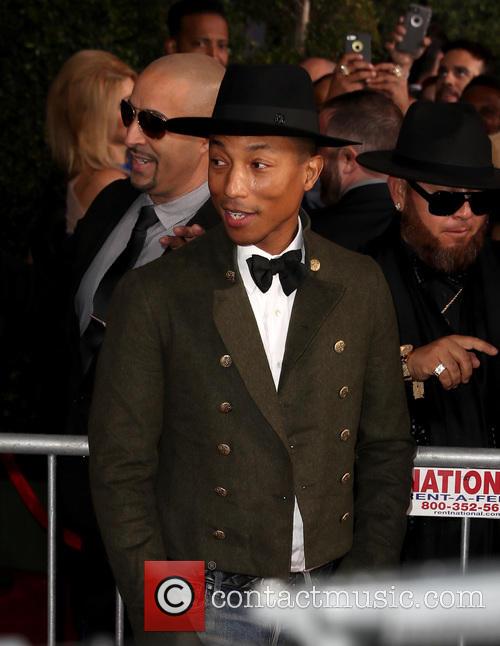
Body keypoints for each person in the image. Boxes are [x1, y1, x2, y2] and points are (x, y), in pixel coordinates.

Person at [89, 63, 414, 645]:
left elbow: (385, 450)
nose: (232, 186)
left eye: (259, 164)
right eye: (219, 160)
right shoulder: (156, 294)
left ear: (311, 170)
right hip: (207, 603)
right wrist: (168, 622)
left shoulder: (359, 285)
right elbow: (122, 472)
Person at [59, 53, 224, 640]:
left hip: (171, 530)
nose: (129, 135)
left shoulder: (239, 239)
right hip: (79, 515)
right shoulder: (110, 207)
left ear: (209, 139)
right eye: (131, 114)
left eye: (153, 123)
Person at [357, 101, 500, 562]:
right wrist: (405, 363)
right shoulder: (355, 276)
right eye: (444, 199)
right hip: (389, 545)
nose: (464, 214)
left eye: (479, 200)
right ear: (399, 191)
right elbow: (308, 381)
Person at [46, 50, 136, 234]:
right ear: (91, 117)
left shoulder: (103, 174)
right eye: (125, 105)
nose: (136, 111)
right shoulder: (106, 181)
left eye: (135, 100)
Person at [311, 90, 403, 252]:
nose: (313, 156)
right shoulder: (417, 227)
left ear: (347, 159)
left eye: (319, 146)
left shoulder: (311, 236)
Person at [164, 0, 229, 66]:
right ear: (173, 48)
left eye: (221, 46)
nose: (214, 55)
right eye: (200, 44)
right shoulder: (155, 75)